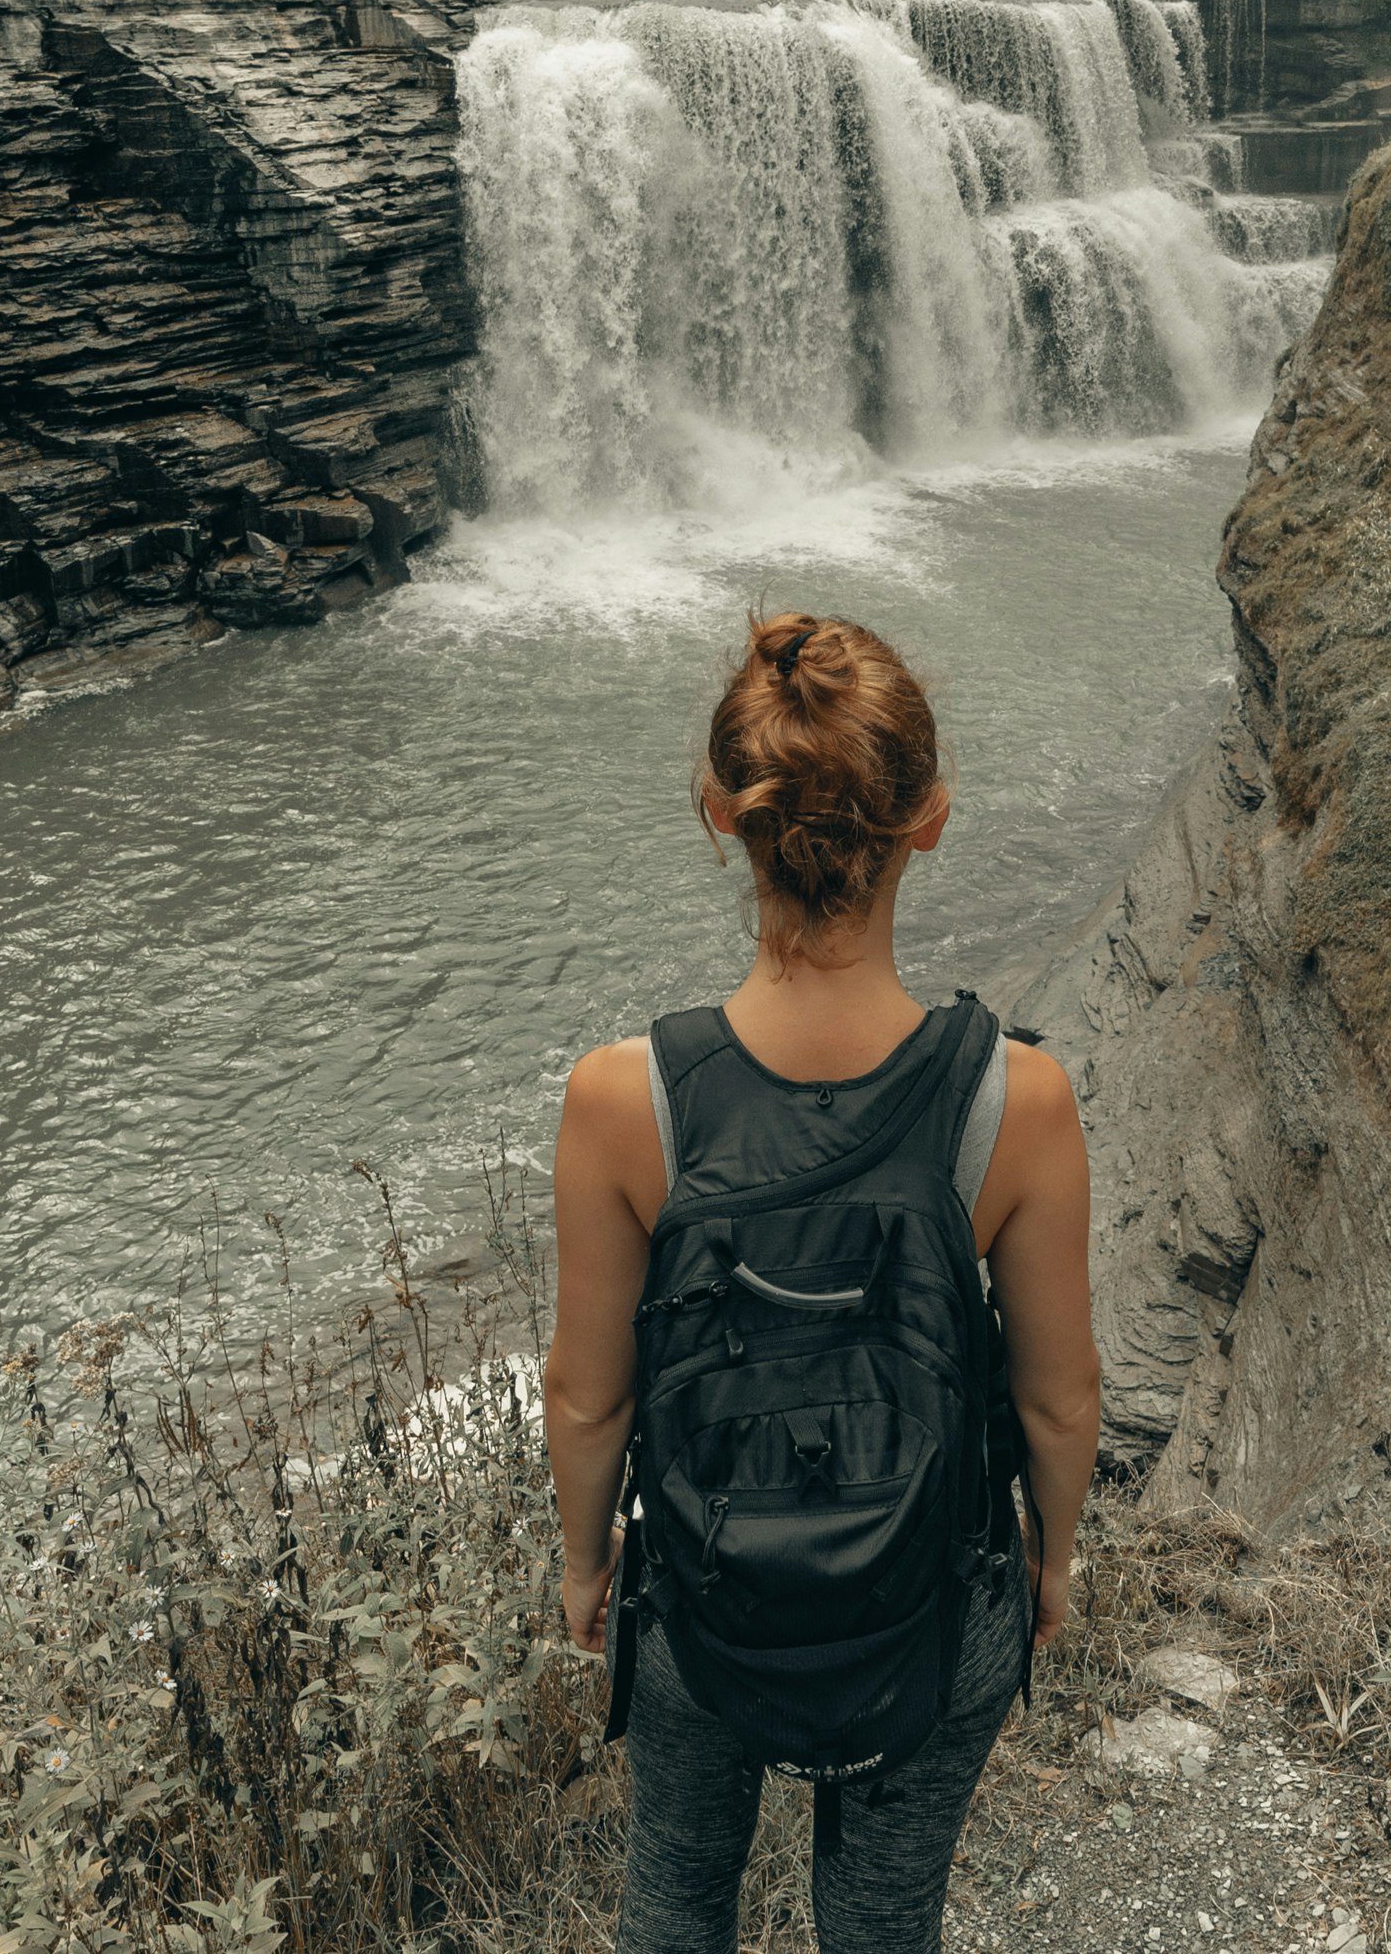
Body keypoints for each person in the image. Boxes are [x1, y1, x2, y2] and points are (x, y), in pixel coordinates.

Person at [543, 609, 1101, 1954]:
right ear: (932, 820)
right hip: (934, 1590)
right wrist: (1053, 1560)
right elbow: (1061, 1398)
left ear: (718, 815)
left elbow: (584, 1397)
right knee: (882, 1914)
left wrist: (582, 1567)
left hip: (702, 1591)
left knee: (677, 1887)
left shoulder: (625, 1099)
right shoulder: (1012, 1099)